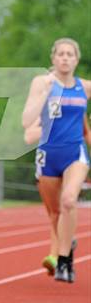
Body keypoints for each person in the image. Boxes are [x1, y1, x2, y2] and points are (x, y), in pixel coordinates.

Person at [22, 38, 90, 283]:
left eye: (69, 54)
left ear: (76, 59)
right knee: (55, 214)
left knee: (69, 200)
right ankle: (66, 244)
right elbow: (26, 122)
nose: (64, 57)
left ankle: (63, 261)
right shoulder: (41, 82)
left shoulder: (85, 87)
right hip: (48, 155)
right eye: (60, 54)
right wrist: (44, 92)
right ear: (53, 58)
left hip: (75, 153)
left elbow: (85, 128)